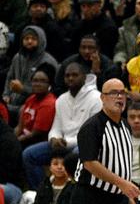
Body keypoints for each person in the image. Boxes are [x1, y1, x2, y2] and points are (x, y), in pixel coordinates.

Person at [22, 63, 101, 191]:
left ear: (84, 77)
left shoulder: (97, 98)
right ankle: (42, 192)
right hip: (62, 144)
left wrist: (65, 142)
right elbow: (56, 127)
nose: (70, 78)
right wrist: (53, 138)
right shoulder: (61, 99)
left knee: (77, 154)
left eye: (75, 75)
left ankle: (77, 193)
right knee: (29, 154)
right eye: (67, 75)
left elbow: (91, 134)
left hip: (84, 145)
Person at [3, 25, 58, 112]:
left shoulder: (48, 62)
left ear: (40, 41)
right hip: (12, 102)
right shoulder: (18, 57)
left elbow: (50, 91)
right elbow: (10, 77)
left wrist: (23, 89)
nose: (29, 41)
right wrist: (6, 95)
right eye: (26, 38)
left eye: (33, 39)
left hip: (35, 106)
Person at [15, 66, 56, 148]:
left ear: (49, 85)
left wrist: (14, 142)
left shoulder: (49, 103)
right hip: (22, 138)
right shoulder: (30, 99)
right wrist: (11, 138)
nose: (38, 84)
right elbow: (19, 127)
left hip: (35, 142)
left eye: (42, 81)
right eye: (35, 81)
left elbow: (35, 135)